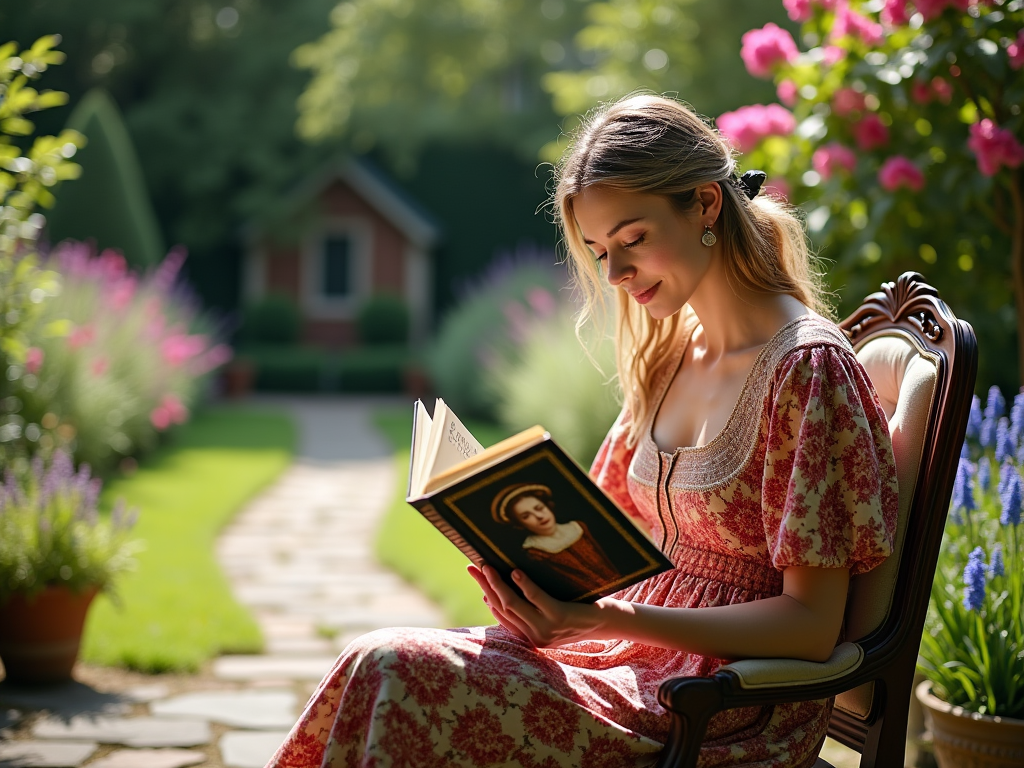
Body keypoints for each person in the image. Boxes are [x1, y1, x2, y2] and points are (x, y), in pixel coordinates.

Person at [266, 94, 898, 768]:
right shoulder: (672, 351)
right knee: (378, 662)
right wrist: (531, 579)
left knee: (395, 669)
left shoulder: (806, 371)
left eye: (633, 239)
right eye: (600, 251)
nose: (617, 275)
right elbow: (605, 540)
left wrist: (605, 619)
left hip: (720, 704)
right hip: (619, 656)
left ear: (707, 205)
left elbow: (811, 626)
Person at [491, 482, 621, 591]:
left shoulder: (577, 527)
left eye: (539, 508)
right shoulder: (534, 552)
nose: (539, 516)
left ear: (548, 507)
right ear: (520, 524)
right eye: (526, 516)